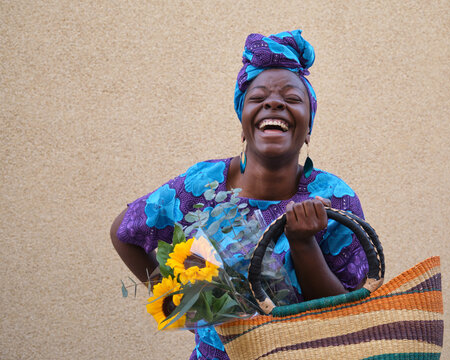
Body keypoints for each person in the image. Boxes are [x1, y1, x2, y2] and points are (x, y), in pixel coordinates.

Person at [110, 30, 369, 360]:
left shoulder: (334, 199)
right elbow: (124, 232)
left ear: (308, 129)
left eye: (292, 99)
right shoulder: (201, 185)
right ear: (242, 121)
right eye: (257, 97)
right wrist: (190, 301)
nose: (273, 103)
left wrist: (304, 244)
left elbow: (349, 317)